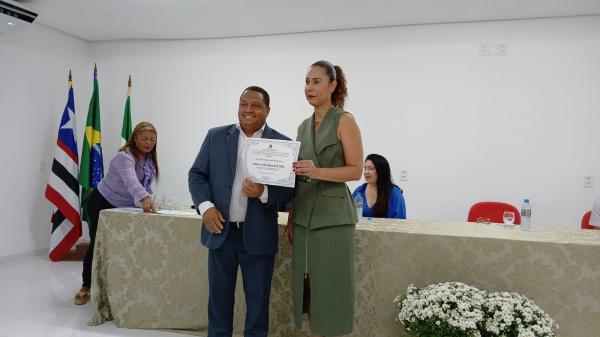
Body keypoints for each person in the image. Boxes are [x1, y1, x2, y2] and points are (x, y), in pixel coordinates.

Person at [188, 86, 294, 337]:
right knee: (219, 303)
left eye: (256, 105)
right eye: (243, 104)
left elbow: (289, 192)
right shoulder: (215, 136)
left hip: (258, 238)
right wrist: (206, 207)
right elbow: (196, 175)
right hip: (221, 233)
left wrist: (263, 192)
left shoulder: (282, 144)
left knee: (257, 307)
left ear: (268, 110)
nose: (248, 110)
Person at [285, 60, 363, 337]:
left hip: (333, 220)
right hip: (304, 218)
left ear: (332, 86)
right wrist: (292, 218)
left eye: (316, 81)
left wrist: (317, 171)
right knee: (307, 290)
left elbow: (355, 169)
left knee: (331, 289)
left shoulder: (344, 120)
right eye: (307, 81)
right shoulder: (303, 126)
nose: (309, 87)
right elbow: (296, 176)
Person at [74, 121, 159, 305]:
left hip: (124, 207)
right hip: (101, 203)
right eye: (144, 138)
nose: (148, 143)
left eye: (152, 139)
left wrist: (149, 199)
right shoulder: (124, 157)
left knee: (123, 244)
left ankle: (115, 285)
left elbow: (145, 185)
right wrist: (144, 198)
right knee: (97, 243)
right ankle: (85, 286)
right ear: (134, 138)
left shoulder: (148, 159)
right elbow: (131, 182)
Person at [352, 154, 406, 219]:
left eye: (371, 169)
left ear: (381, 171)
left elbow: (399, 222)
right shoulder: (359, 191)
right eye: (365, 168)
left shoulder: (394, 193)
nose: (366, 172)